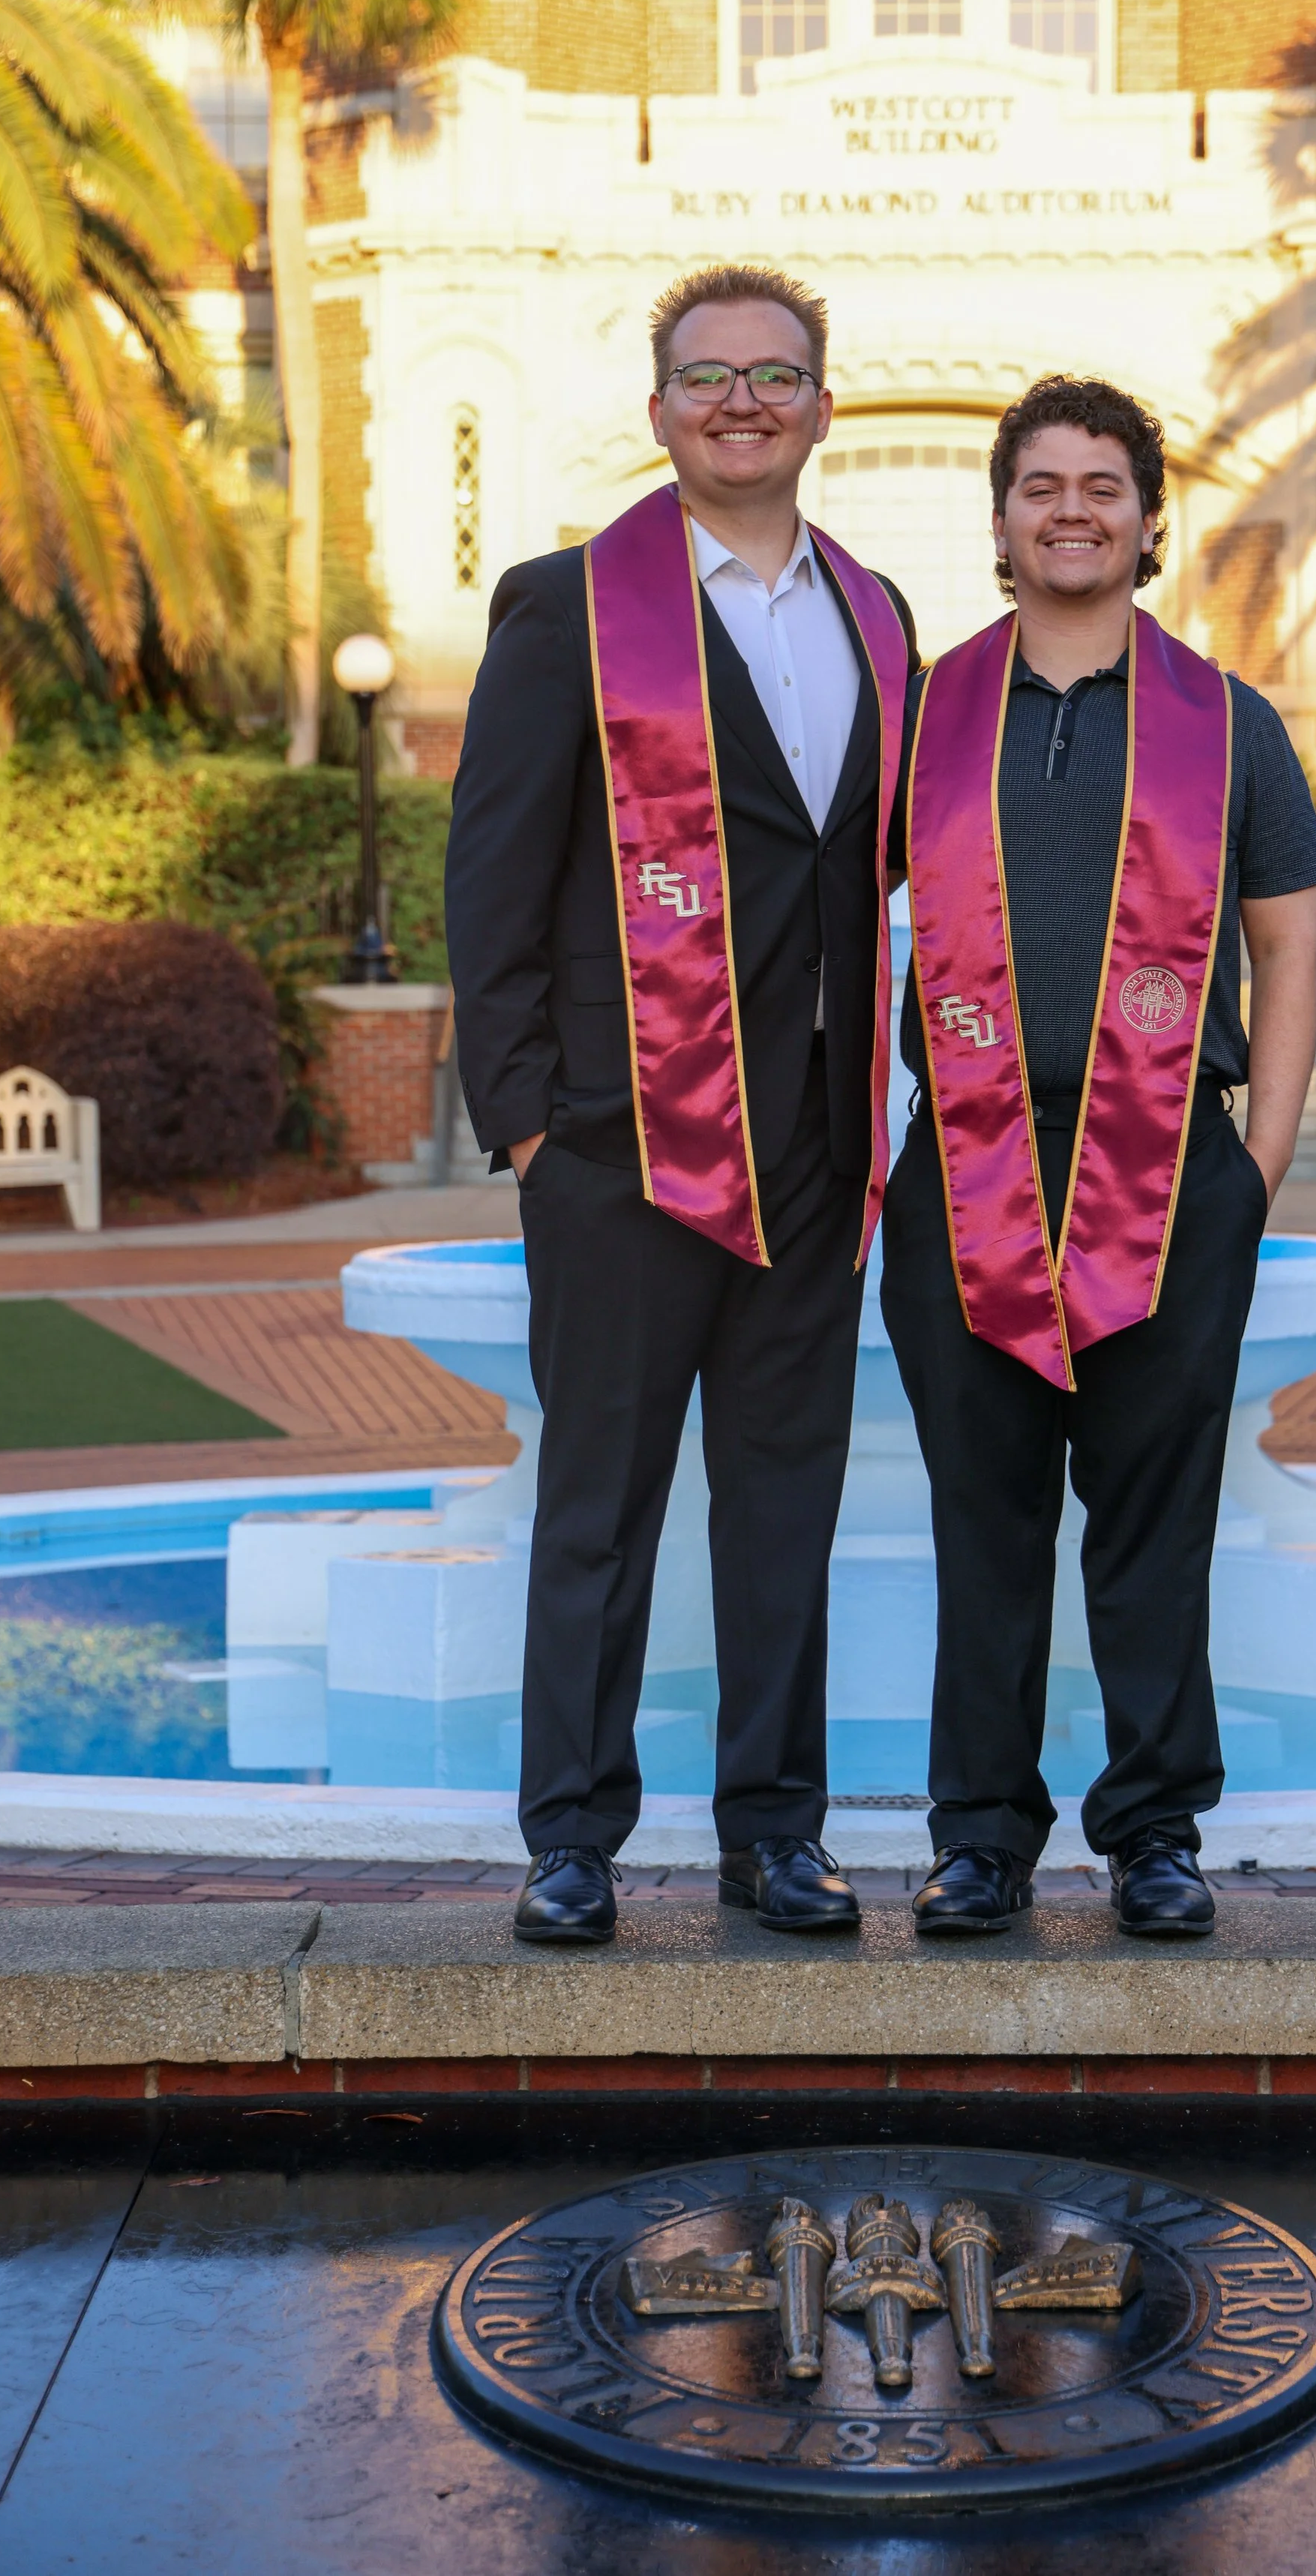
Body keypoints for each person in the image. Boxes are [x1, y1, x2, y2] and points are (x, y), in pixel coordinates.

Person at [447, 263, 915, 1947]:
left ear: (821, 407)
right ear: (657, 412)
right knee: (601, 1506)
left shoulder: (877, 616)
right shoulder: (567, 607)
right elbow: (493, 878)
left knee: (784, 1506)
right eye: (708, 376)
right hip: (619, 1139)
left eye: (774, 375)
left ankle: (773, 1833)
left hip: (814, 1142)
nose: (741, 402)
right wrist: (529, 1126)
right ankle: (572, 1838)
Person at [882, 375, 1316, 1940]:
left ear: (1147, 523)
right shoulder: (922, 714)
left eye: (1102, 488)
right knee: (983, 1514)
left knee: (1156, 1514)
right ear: (1001, 520)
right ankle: (979, 1838)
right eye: (1041, 486)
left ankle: (1153, 1831)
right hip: (964, 1165)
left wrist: (1259, 1165)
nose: (1070, 510)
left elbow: (1290, 941)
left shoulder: (1227, 721)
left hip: (1167, 1166)